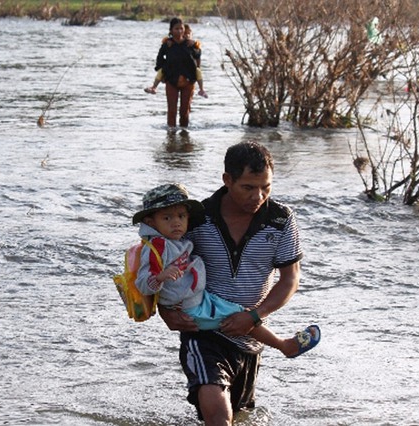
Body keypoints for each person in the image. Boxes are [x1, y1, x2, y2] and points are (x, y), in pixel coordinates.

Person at [158, 141, 311, 424]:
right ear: (227, 180)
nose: (259, 196)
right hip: (203, 333)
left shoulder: (281, 219)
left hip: (250, 337)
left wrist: (254, 316)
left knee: (239, 416)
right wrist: (165, 311)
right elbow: (162, 266)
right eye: (248, 187)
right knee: (218, 415)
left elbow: (290, 279)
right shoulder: (197, 218)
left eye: (266, 187)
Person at [133, 183, 319, 361]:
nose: (176, 223)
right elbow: (143, 284)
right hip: (190, 308)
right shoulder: (156, 247)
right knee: (238, 315)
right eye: (167, 218)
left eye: (181, 216)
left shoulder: (175, 240)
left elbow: (291, 278)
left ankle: (282, 344)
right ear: (150, 221)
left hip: (199, 300)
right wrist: (161, 279)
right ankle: (284, 345)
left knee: (240, 316)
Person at [148, 17, 202, 128]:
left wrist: (195, 45)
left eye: (181, 28)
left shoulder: (190, 44)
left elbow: (198, 55)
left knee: (184, 111)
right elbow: (159, 59)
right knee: (172, 110)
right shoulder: (167, 45)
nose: (179, 31)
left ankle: (184, 133)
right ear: (171, 30)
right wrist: (163, 72)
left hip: (188, 81)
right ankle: (171, 135)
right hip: (171, 80)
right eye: (176, 29)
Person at [145, 24, 207, 99]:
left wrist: (193, 45)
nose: (186, 36)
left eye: (189, 34)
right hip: (174, 71)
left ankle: (201, 89)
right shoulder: (171, 42)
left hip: (190, 71)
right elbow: (161, 54)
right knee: (161, 70)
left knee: (198, 71)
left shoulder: (193, 44)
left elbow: (198, 54)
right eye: (185, 34)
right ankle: (154, 87)